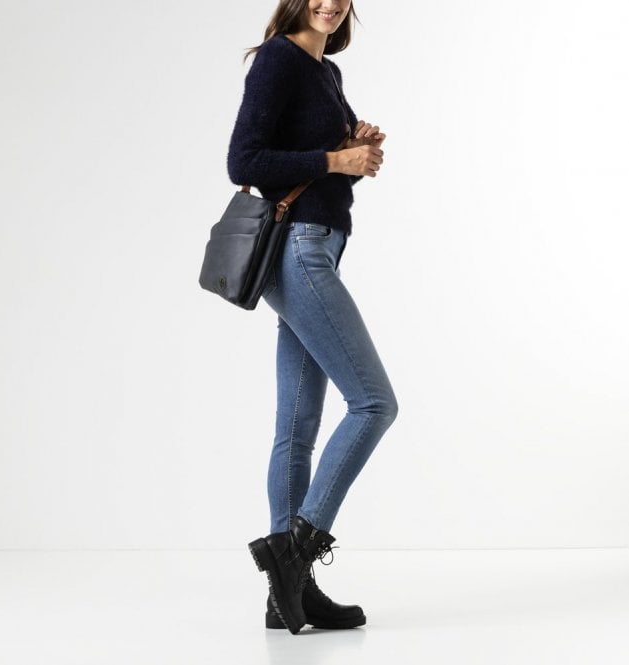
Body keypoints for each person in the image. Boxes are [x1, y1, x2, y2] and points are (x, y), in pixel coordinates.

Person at [227, 0, 398, 634]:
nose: (330, 3)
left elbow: (322, 172)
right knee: (374, 404)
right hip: (298, 250)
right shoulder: (278, 60)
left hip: (318, 245)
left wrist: (355, 152)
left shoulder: (325, 70)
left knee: (296, 427)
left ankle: (287, 596)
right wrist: (332, 160)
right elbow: (244, 162)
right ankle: (294, 555)